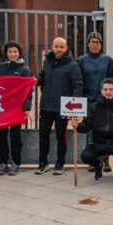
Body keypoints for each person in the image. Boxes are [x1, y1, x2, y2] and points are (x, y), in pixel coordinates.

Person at [35, 37, 83, 175]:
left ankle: (60, 163)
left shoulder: (73, 65)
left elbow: (78, 86)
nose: (59, 49)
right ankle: (43, 163)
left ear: (66, 48)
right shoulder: (47, 62)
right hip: (45, 106)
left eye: (62, 47)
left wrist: (75, 109)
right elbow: (43, 76)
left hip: (63, 107)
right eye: (56, 46)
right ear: (52, 47)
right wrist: (36, 80)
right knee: (43, 134)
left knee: (60, 136)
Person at [72, 78, 113, 181]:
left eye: (111, 89)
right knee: (85, 156)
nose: (108, 92)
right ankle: (98, 166)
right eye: (105, 89)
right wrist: (77, 125)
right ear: (101, 91)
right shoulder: (94, 107)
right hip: (99, 143)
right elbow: (86, 126)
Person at [77, 32, 113, 173]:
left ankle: (105, 160)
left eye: (97, 42)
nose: (95, 44)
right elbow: (79, 81)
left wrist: (110, 96)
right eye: (92, 42)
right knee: (90, 131)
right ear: (88, 44)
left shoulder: (108, 60)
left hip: (104, 101)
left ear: (101, 44)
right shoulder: (81, 60)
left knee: (104, 131)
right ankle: (93, 160)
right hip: (88, 101)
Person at [0, 41, 33, 176]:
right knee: (0, 136)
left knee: (15, 137)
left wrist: (27, 107)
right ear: (6, 53)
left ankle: (16, 163)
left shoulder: (24, 69)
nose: (13, 54)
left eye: (15, 51)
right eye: (10, 51)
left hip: (16, 108)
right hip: (0, 107)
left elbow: (28, 90)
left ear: (19, 53)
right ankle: (3, 162)